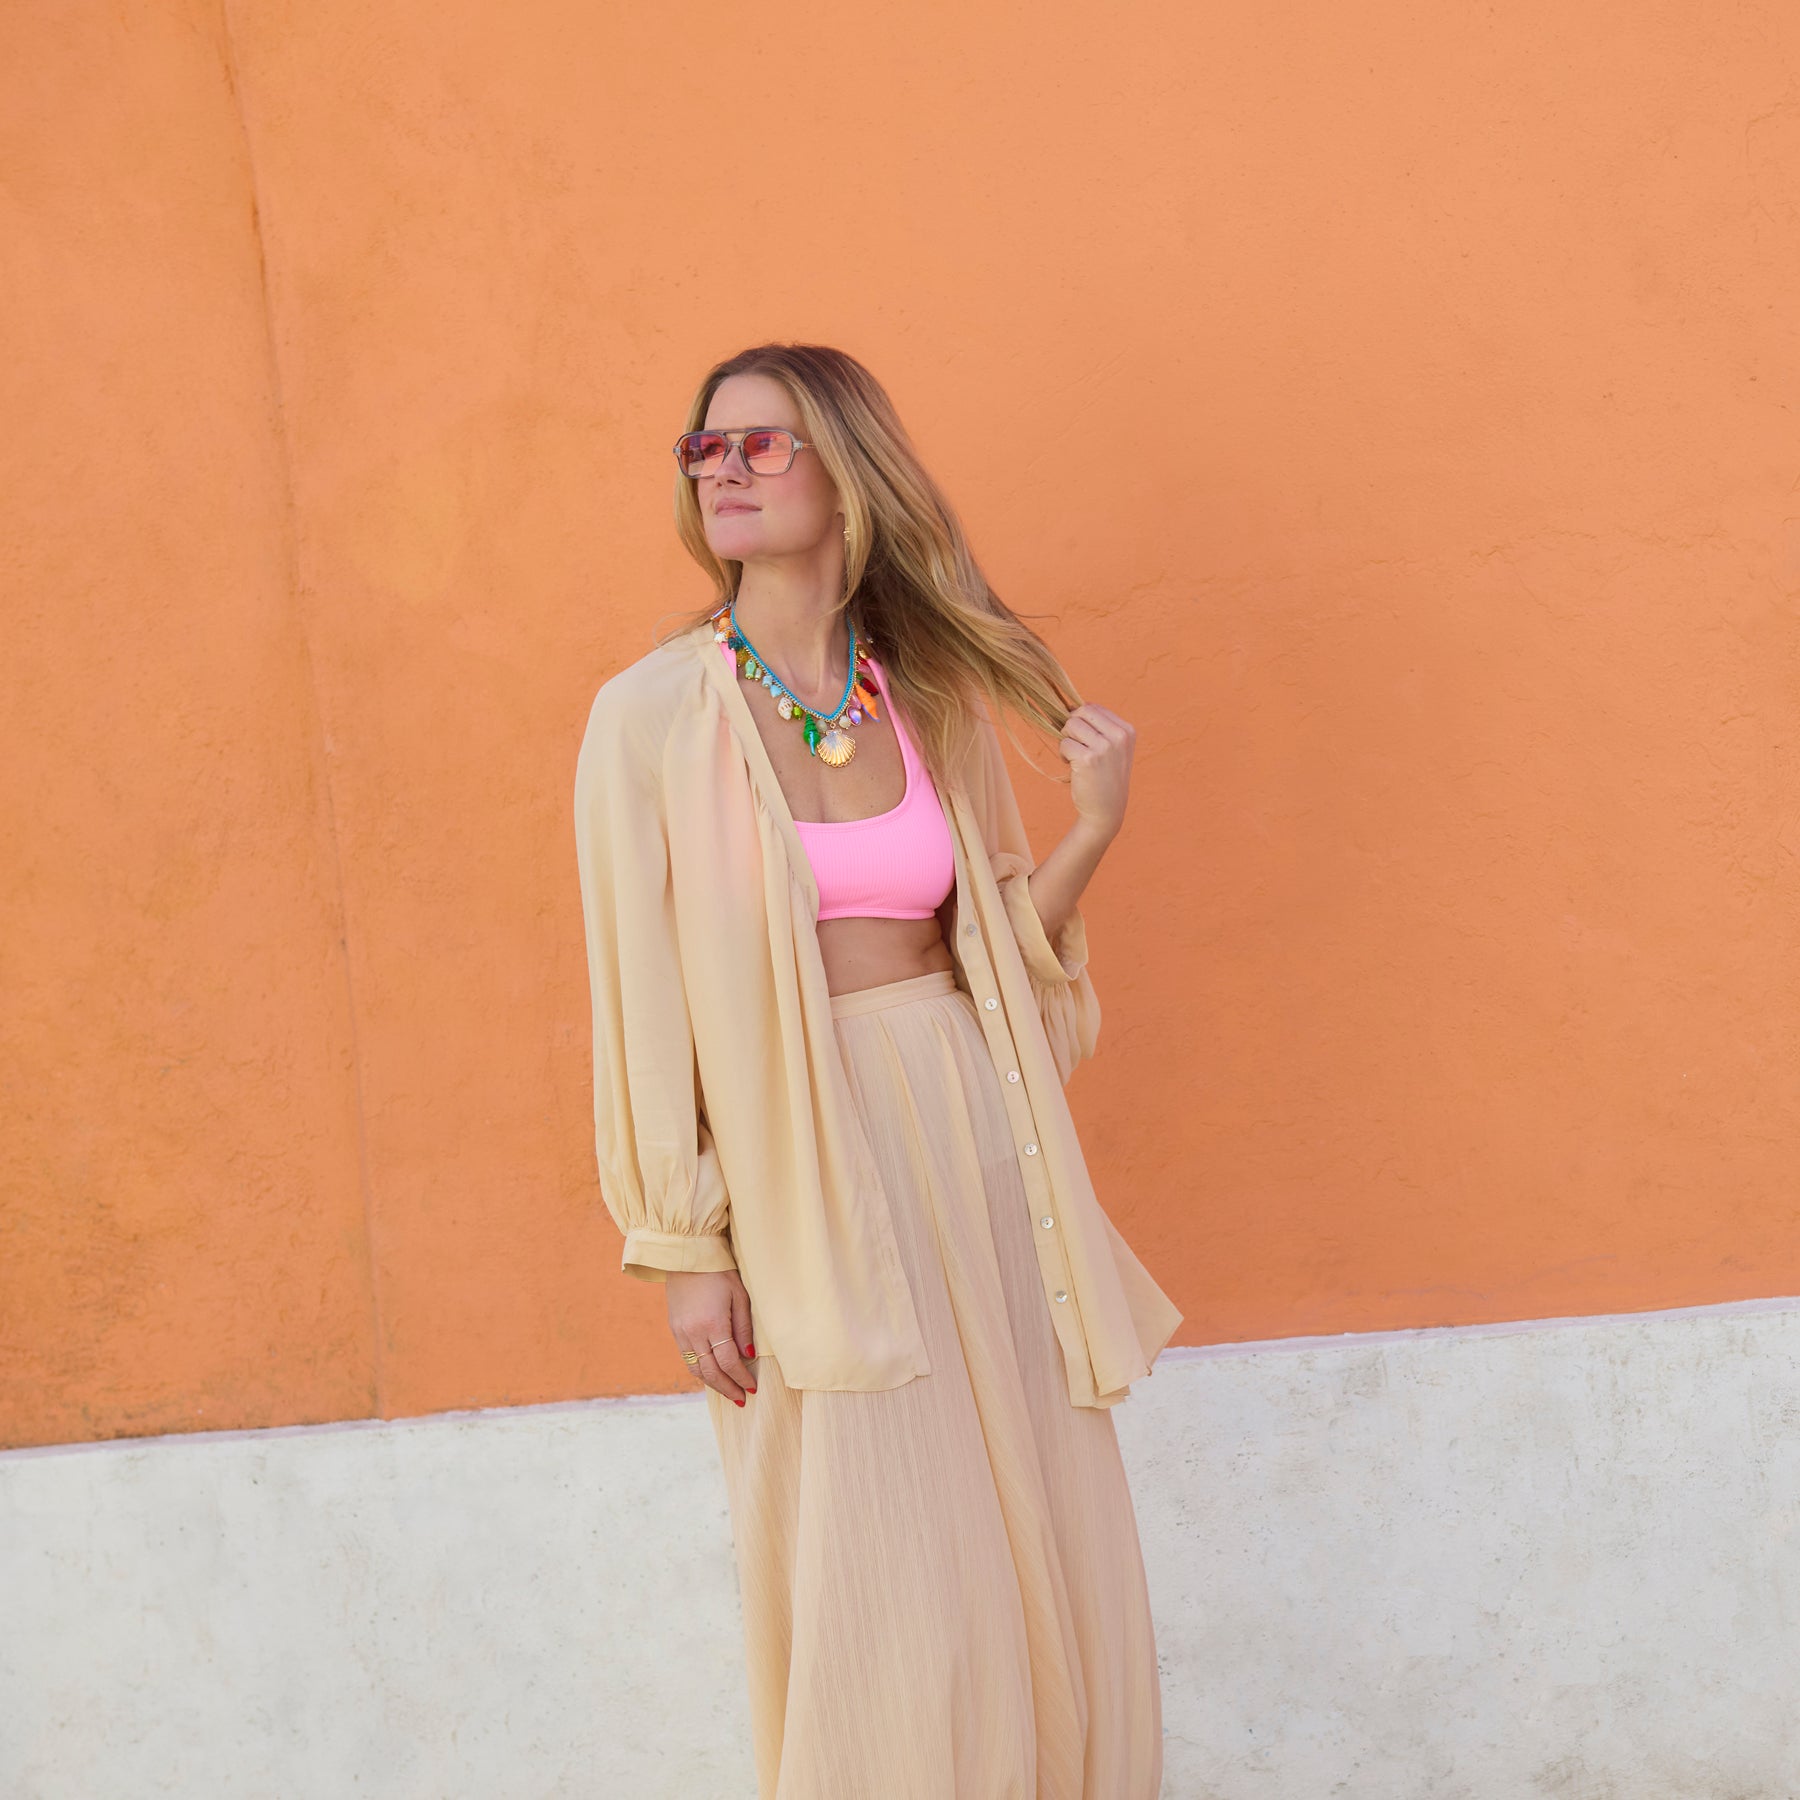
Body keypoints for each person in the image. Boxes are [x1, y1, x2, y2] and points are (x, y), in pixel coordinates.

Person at [573, 341, 1182, 1799]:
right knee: (877, 1564)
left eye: (760, 446)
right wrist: (682, 1244)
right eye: (704, 449)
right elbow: (636, 995)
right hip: (803, 1168)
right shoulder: (648, 718)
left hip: (972, 1136)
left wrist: (1092, 827)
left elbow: (999, 969)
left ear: (847, 473)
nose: (720, 469)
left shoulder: (927, 701)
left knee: (1026, 1529)